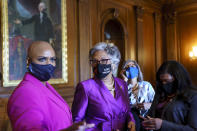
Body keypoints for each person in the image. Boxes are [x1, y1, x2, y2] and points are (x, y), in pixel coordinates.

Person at [7, 41, 94, 131]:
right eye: (42, 59)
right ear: (29, 61)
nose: (49, 64)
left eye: (52, 59)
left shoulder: (45, 86)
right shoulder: (24, 93)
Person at [72, 42, 135, 131]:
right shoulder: (85, 87)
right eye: (94, 61)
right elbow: (76, 122)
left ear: (113, 63)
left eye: (103, 60)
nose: (99, 64)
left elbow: (127, 111)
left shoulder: (122, 84)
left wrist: (131, 121)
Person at [142, 60, 197, 131]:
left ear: (178, 79)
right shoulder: (161, 94)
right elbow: (151, 114)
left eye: (166, 81)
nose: (164, 84)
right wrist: (147, 121)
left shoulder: (192, 96)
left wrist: (163, 125)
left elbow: (193, 129)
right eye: (161, 81)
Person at [121, 60, 155, 131]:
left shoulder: (146, 85)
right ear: (123, 71)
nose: (130, 68)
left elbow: (157, 104)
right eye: (127, 67)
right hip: (131, 120)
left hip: (146, 118)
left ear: (137, 69)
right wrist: (124, 82)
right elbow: (120, 106)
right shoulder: (122, 87)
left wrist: (150, 105)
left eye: (132, 66)